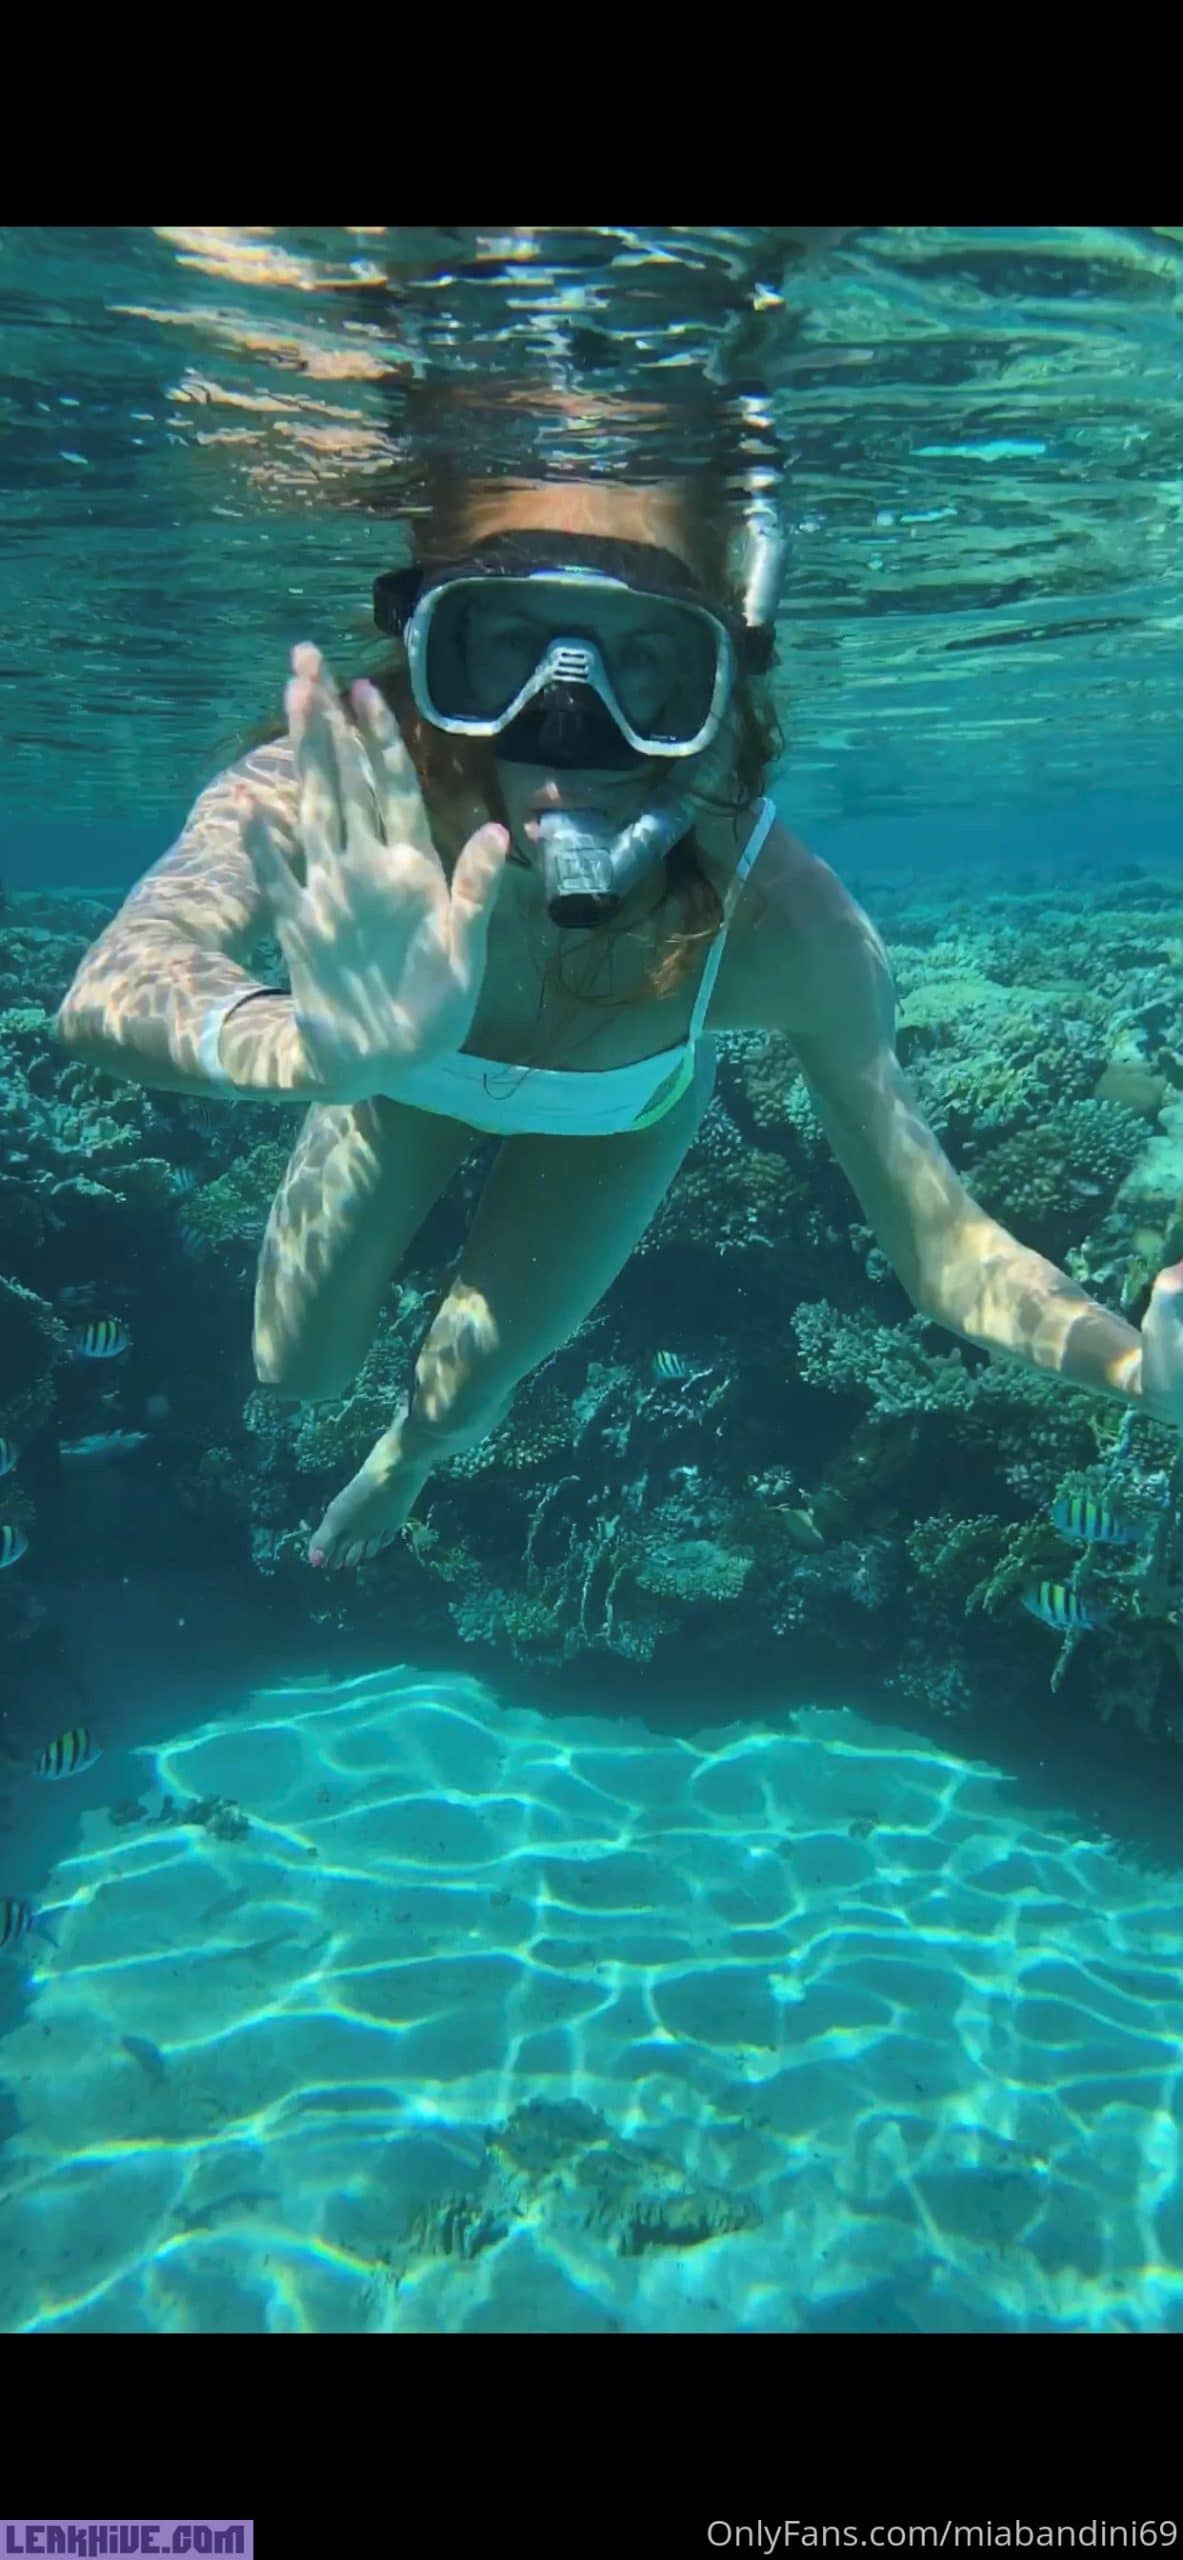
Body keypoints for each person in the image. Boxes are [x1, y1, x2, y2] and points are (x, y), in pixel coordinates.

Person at [56, 471, 1183, 1574]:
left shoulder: (786, 921)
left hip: (615, 1117)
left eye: (642, 663)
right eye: (507, 648)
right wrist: (317, 1049)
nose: (568, 721)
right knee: (296, 1369)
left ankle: (407, 1459)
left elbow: (943, 1248)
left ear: (716, 691)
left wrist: (1133, 1369)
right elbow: (115, 978)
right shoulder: (341, 785)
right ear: (433, 652)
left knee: (459, 1391)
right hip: (385, 1078)